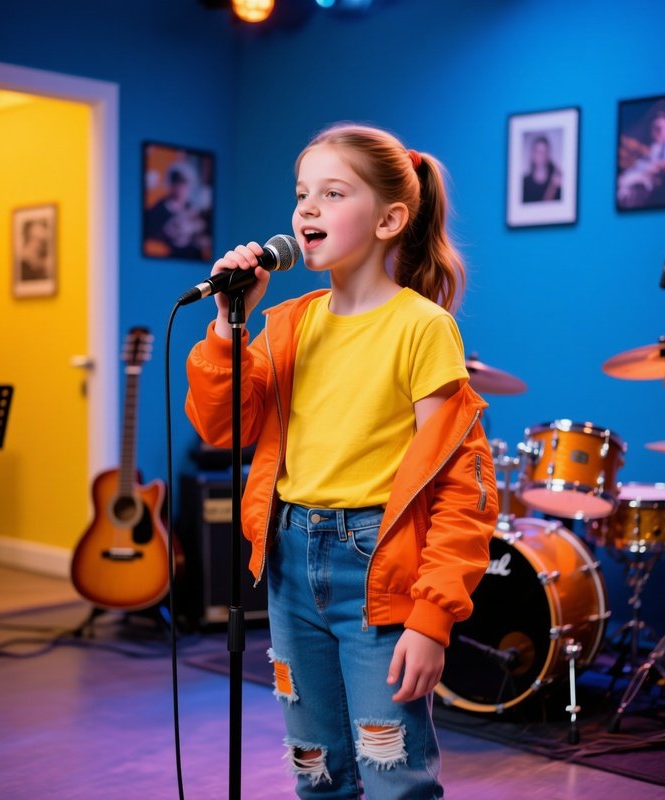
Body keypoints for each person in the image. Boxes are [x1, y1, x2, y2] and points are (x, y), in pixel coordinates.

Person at [185, 123, 497, 799]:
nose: (308, 209)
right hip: (290, 562)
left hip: (379, 573)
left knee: (393, 775)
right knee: (317, 769)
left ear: (390, 219)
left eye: (333, 192)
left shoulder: (422, 327)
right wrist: (226, 327)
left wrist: (433, 616)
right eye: (303, 194)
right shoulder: (288, 322)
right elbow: (220, 425)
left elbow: (459, 487)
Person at [522, 133, 562, 203]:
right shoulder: (524, 183)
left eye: (543, 152)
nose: (540, 155)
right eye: (537, 151)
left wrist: (554, 187)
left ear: (548, 154)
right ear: (532, 154)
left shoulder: (556, 181)